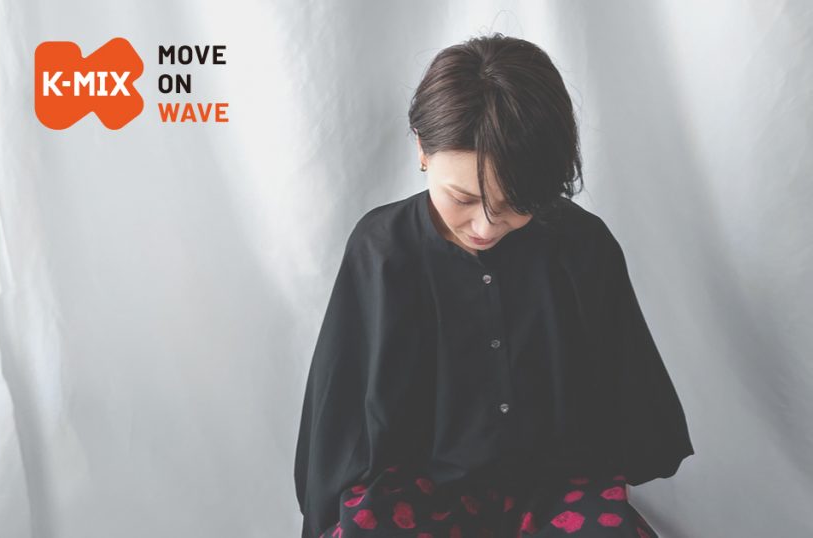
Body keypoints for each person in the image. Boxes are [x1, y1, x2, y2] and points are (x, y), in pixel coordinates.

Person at [294, 33, 694, 538]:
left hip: (553, 483)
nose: (484, 226)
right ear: (421, 147)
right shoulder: (381, 250)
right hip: (415, 489)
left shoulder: (581, 245)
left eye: (514, 205)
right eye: (462, 198)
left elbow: (623, 388)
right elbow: (341, 411)